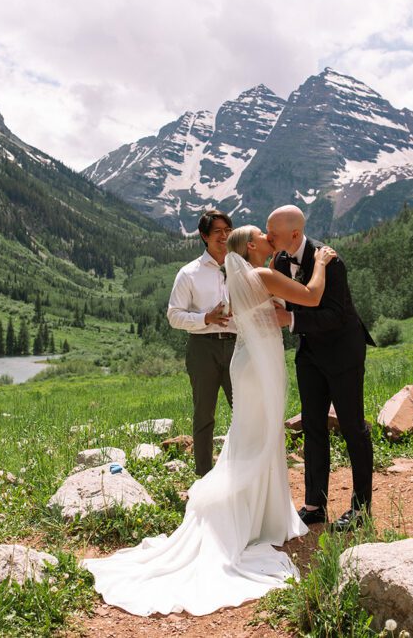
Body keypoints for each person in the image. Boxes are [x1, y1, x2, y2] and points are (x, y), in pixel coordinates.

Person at [83, 225, 338, 616]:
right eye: (263, 236)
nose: (270, 239)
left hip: (251, 362)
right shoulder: (261, 275)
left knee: (254, 436)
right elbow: (312, 295)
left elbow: (275, 309)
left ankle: (261, 515)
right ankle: (250, 516)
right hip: (258, 367)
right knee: (257, 438)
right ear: (251, 246)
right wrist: (319, 263)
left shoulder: (241, 276)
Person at [266, 204, 375, 532]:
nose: (268, 236)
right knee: (312, 427)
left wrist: (290, 319)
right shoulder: (282, 261)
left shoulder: (331, 260)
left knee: (353, 426)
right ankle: (315, 504)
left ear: (295, 234)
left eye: (273, 232)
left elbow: (336, 316)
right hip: (310, 355)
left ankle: (360, 508)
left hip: (343, 352)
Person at [167, 210, 235, 476]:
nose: (224, 235)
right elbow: (174, 315)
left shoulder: (240, 267)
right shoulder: (189, 273)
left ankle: (242, 473)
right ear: (204, 236)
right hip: (202, 348)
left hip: (236, 346)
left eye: (228, 230)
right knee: (204, 414)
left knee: (242, 411)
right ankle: (203, 475)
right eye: (217, 231)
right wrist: (205, 318)